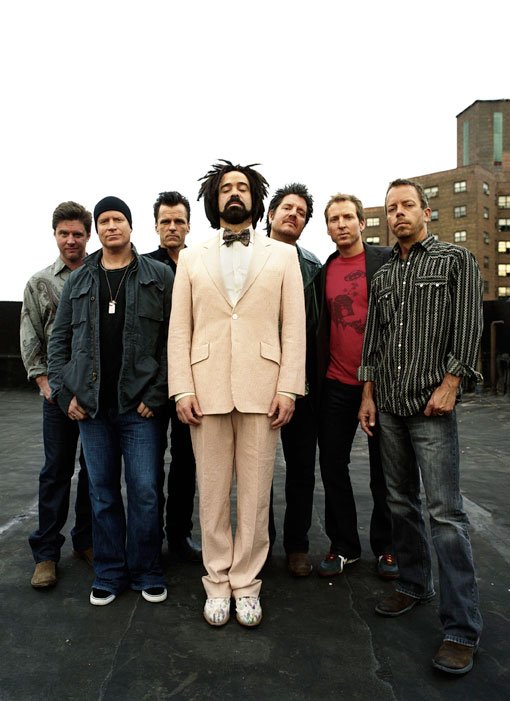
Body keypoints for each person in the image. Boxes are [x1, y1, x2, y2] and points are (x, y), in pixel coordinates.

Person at [168, 160, 306, 627]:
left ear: (254, 197)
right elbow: (180, 329)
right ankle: (216, 582)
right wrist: (181, 388)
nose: (234, 193)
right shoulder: (191, 257)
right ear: (215, 197)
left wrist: (288, 388)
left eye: (242, 187)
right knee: (210, 494)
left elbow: (294, 329)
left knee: (255, 495)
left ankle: (246, 583)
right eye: (226, 187)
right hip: (204, 390)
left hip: (263, 390)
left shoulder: (283, 256)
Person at [358, 178, 483, 675]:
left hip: (432, 404)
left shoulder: (455, 260)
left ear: (426, 212)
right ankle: (413, 583)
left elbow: (469, 325)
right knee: (400, 502)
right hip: (389, 404)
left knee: (445, 514)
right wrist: (368, 396)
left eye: (407, 205)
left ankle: (461, 628)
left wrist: (451, 383)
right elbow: (373, 340)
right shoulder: (385, 274)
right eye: (392, 208)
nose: (398, 214)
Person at [48, 196, 173, 607]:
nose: (111, 226)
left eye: (118, 218)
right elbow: (59, 341)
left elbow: (174, 340)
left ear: (131, 226)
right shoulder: (80, 279)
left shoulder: (158, 276)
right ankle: (108, 572)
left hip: (140, 409)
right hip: (93, 409)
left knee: (145, 491)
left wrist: (156, 394)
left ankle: (146, 570)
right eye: (104, 220)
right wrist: (65, 394)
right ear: (97, 230)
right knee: (101, 493)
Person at [316, 194, 397, 580]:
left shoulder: (386, 261)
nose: (342, 224)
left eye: (348, 217)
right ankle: (344, 545)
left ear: (362, 223)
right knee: (333, 465)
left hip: (382, 384)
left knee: (386, 469)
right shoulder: (325, 270)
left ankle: (388, 546)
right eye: (334, 219)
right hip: (336, 382)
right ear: (328, 228)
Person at [21, 201, 93, 589]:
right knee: (56, 473)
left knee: (96, 473)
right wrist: (47, 386)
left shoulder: (100, 275)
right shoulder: (39, 283)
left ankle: (86, 542)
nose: (71, 240)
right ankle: (46, 553)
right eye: (64, 233)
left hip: (96, 396)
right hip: (57, 397)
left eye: (77, 234)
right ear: (55, 235)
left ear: (88, 236)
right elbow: (31, 337)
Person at [266, 183, 321, 577]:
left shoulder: (313, 266)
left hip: (301, 383)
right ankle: (260, 545)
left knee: (301, 468)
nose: (293, 215)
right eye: (287, 208)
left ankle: (297, 547)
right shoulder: (249, 257)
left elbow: (317, 328)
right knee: (257, 472)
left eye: (301, 212)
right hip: (256, 378)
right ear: (271, 214)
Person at [145, 191, 201, 563]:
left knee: (186, 465)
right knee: (148, 468)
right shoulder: (143, 267)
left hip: (191, 382)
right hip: (151, 383)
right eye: (165, 221)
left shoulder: (200, 264)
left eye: (179, 221)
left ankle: (179, 536)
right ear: (156, 226)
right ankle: (150, 540)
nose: (172, 227)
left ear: (189, 226)